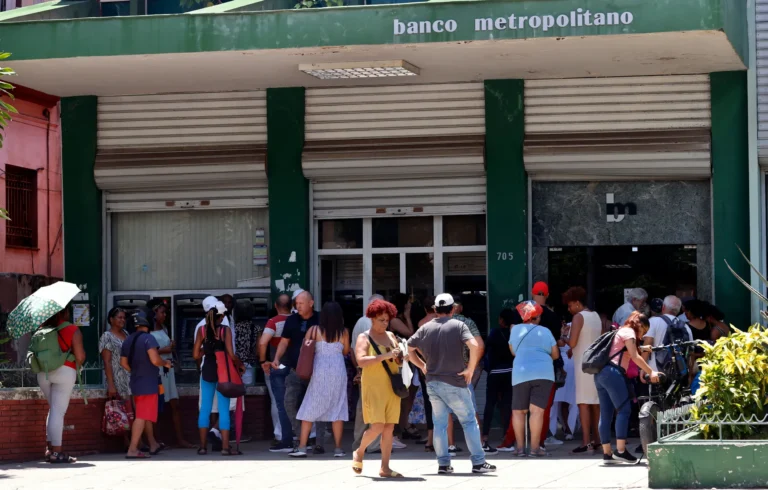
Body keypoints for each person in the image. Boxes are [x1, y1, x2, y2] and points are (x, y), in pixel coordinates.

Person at [407, 293, 496, 474]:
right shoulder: (458, 325)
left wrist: (422, 366)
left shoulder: (425, 327)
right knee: (469, 421)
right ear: (453, 309)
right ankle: (478, 462)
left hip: (433, 382)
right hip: (455, 381)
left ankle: (443, 464)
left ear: (435, 309)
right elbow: (475, 346)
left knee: (439, 424)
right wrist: (470, 369)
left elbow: (408, 349)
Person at [596, 311, 661, 465]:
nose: (642, 335)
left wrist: (643, 348)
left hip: (601, 373)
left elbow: (624, 350)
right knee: (624, 410)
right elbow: (634, 356)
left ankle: (607, 454)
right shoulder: (629, 331)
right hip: (613, 373)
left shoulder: (620, 331)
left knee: (606, 413)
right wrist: (650, 371)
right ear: (640, 325)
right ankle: (621, 451)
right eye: (644, 331)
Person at [352, 299, 406, 478]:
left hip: (392, 386)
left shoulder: (391, 336)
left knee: (389, 427)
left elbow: (397, 358)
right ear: (372, 319)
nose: (385, 323)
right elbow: (361, 360)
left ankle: (385, 467)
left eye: (387, 320)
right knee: (377, 426)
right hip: (373, 387)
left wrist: (400, 357)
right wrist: (386, 355)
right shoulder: (364, 337)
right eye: (381, 319)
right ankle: (360, 451)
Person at [291, 302, 350, 458]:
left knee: (310, 406)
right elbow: (345, 352)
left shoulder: (314, 330)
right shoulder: (344, 332)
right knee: (338, 408)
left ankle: (302, 447)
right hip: (338, 371)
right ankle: (338, 449)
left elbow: (304, 349)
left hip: (319, 370)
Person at [507, 300, 560, 458]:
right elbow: (556, 354)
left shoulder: (514, 330)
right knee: (536, 412)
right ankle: (535, 449)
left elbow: (513, 352)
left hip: (521, 372)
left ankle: (520, 449)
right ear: (537, 316)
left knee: (518, 412)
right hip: (544, 373)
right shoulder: (546, 332)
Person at [270, 291, 320, 453]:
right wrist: (277, 358)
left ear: (311, 303)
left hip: (317, 371)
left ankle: (318, 441)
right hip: (295, 370)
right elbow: (284, 342)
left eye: (301, 303)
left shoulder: (320, 319)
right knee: (289, 402)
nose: (298, 307)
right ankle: (301, 437)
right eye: (296, 304)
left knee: (318, 406)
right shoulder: (291, 320)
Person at [193, 302, 243, 456]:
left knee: (205, 409)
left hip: (207, 371)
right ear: (221, 317)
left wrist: (204, 351)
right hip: (223, 372)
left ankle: (202, 447)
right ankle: (225, 448)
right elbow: (231, 353)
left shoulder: (202, 330)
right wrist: (239, 365)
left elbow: (195, 355)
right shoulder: (225, 330)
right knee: (224, 409)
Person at [120, 309, 172, 459]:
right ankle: (132, 449)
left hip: (136, 382)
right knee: (142, 416)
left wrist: (136, 371)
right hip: (148, 383)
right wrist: (166, 363)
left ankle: (151, 444)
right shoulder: (149, 338)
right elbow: (155, 360)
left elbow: (123, 363)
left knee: (143, 414)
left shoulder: (128, 339)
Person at [38, 306, 85, 464]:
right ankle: (57, 453)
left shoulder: (41, 329)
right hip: (65, 371)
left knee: (53, 410)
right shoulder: (72, 329)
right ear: (64, 313)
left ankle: (49, 449)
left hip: (42, 372)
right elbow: (80, 356)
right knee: (58, 412)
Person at [149, 301, 192, 449]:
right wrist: (164, 349)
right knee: (157, 407)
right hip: (158, 370)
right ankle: (157, 440)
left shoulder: (164, 328)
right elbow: (148, 352)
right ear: (154, 313)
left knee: (175, 405)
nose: (165, 315)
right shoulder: (147, 331)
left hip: (169, 370)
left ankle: (180, 439)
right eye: (162, 312)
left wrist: (170, 347)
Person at [564, 286, 602, 454]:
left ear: (577, 303)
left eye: (570, 305)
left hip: (582, 365)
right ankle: (598, 440)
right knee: (596, 403)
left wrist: (564, 335)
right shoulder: (596, 317)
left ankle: (586, 442)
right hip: (596, 364)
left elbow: (572, 343)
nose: (569, 309)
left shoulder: (579, 317)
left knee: (584, 403)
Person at [351, 294, 385, 454]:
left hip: (363, 369)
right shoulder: (371, 322)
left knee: (362, 407)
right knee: (376, 407)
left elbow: (353, 350)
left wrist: (357, 369)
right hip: (375, 370)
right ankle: (372, 444)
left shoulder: (359, 321)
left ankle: (358, 442)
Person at [531, 282, 563, 447]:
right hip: (546, 367)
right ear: (548, 295)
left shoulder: (521, 313)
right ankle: (540, 441)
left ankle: (518, 442)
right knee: (543, 406)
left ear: (532, 292)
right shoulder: (552, 317)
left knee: (520, 408)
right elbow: (556, 345)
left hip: (524, 367)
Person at [259, 293, 292, 446]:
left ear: (276, 306)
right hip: (295, 366)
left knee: (278, 402)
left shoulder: (273, 322)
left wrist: (263, 361)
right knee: (297, 401)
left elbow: (263, 342)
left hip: (276, 365)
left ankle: (281, 435)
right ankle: (302, 435)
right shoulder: (296, 320)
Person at [481, 309, 514, 453]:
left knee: (490, 404)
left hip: (495, 373)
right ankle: (507, 436)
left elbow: (485, 348)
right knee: (507, 405)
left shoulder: (494, 333)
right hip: (510, 372)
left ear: (501, 320)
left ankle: (485, 436)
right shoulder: (514, 333)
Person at [389, 293, 417, 447]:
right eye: (408, 303)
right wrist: (407, 317)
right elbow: (410, 334)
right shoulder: (395, 320)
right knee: (401, 395)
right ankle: (398, 428)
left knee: (407, 395)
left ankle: (403, 425)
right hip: (399, 361)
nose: (410, 305)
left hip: (404, 359)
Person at [642, 296, 693, 371]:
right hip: (678, 372)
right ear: (678, 311)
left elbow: (648, 343)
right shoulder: (685, 326)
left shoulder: (653, 321)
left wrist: (642, 368)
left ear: (663, 307)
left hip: (655, 371)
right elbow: (690, 352)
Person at [551, 322, 578, 442]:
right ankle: (552, 430)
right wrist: (563, 335)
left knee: (570, 401)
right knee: (555, 402)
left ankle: (569, 428)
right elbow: (559, 344)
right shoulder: (559, 338)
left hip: (572, 369)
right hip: (561, 370)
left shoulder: (576, 336)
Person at [99, 308, 131, 403]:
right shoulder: (107, 336)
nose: (123, 320)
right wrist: (111, 384)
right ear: (111, 319)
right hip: (117, 381)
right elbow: (107, 361)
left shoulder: (126, 333)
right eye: (119, 317)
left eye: (124, 318)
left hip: (129, 378)